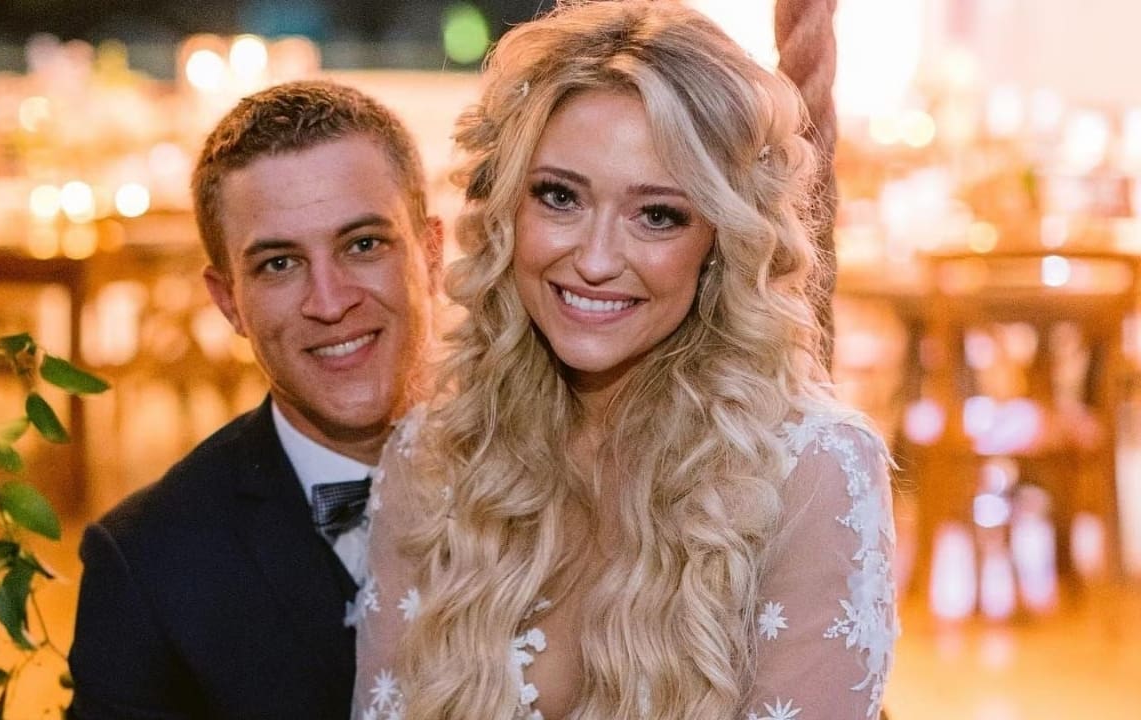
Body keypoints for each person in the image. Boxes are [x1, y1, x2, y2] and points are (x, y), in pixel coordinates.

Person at [352, 2, 897, 719]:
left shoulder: (813, 470)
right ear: (507, 211)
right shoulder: (431, 458)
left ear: (720, 240)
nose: (598, 259)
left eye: (658, 215)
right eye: (559, 197)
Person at [69, 80, 441, 719]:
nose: (330, 301)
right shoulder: (147, 566)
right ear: (227, 302)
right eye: (278, 264)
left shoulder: (574, 482)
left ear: (432, 254)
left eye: (363, 244)